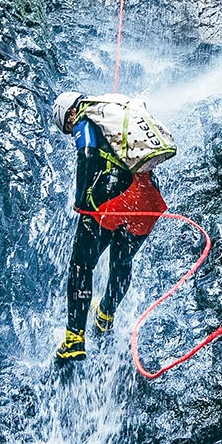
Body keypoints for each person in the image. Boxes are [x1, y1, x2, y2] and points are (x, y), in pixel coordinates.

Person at [51, 91, 174, 363]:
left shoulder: (84, 118)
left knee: (81, 264)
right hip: (147, 198)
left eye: (68, 127)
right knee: (122, 260)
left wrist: (82, 199)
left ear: (70, 114)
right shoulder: (114, 114)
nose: (72, 130)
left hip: (113, 195)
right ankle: (105, 314)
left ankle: (74, 339)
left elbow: (86, 152)